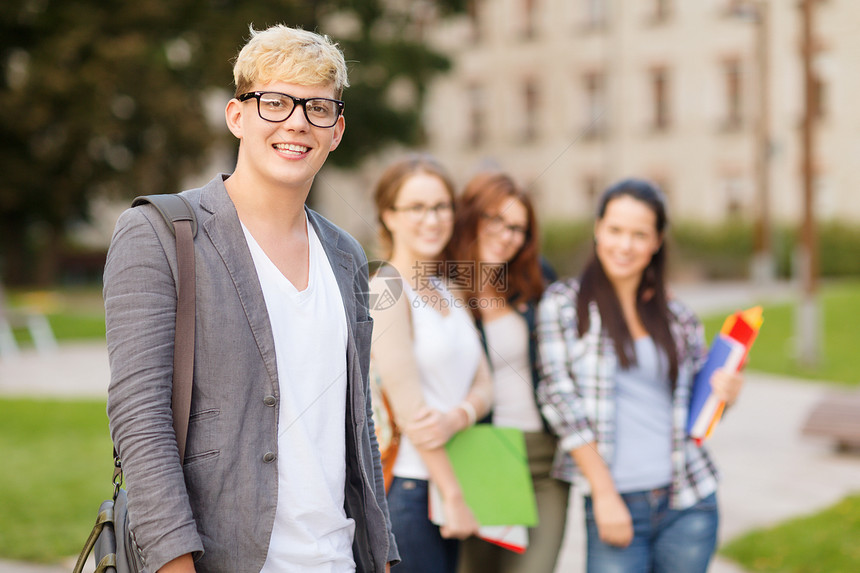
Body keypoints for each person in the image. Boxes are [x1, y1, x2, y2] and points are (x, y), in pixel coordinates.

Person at [103, 25, 398, 573]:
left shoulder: (346, 255)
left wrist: (379, 556)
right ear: (237, 116)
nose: (297, 122)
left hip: (337, 559)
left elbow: (356, 422)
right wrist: (174, 563)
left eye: (317, 108)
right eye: (276, 101)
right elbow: (139, 416)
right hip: (223, 558)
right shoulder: (160, 233)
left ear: (336, 131)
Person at [536, 179, 745, 572]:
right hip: (617, 498)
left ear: (657, 241)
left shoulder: (678, 317)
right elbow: (557, 399)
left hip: (689, 499)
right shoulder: (564, 304)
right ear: (598, 229)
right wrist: (604, 493)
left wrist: (725, 395)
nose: (625, 245)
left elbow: (694, 409)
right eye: (615, 230)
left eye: (639, 234)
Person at [368, 155, 493, 573]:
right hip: (412, 488)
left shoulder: (448, 288)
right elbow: (412, 412)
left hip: (457, 477)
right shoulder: (386, 286)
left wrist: (457, 417)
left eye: (441, 206)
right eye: (416, 208)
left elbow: (485, 385)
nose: (432, 219)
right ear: (389, 216)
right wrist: (453, 497)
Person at [444, 172, 570, 573]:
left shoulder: (534, 277)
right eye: (496, 220)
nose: (507, 235)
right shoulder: (444, 286)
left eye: (518, 227)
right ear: (471, 218)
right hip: (482, 452)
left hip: (545, 455)